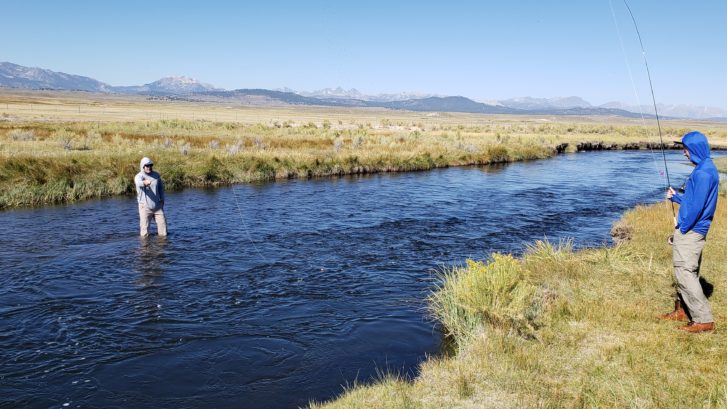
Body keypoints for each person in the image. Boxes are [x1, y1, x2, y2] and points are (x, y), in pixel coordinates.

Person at [659, 131, 720, 333]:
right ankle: (683, 310)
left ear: (694, 149)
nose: (684, 153)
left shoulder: (703, 173)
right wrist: (677, 198)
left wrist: (682, 228)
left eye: (685, 148)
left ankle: (703, 320)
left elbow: (696, 208)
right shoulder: (705, 168)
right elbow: (695, 201)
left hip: (691, 229)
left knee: (685, 272)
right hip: (693, 227)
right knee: (684, 271)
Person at [134, 157, 167, 237]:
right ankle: (145, 248)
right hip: (144, 208)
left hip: (157, 207)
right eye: (147, 166)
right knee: (144, 234)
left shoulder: (156, 175)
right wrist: (144, 182)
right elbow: (138, 183)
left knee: (163, 232)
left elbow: (160, 189)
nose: (149, 167)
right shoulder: (139, 176)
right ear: (143, 166)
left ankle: (163, 247)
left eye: (150, 165)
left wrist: (162, 200)